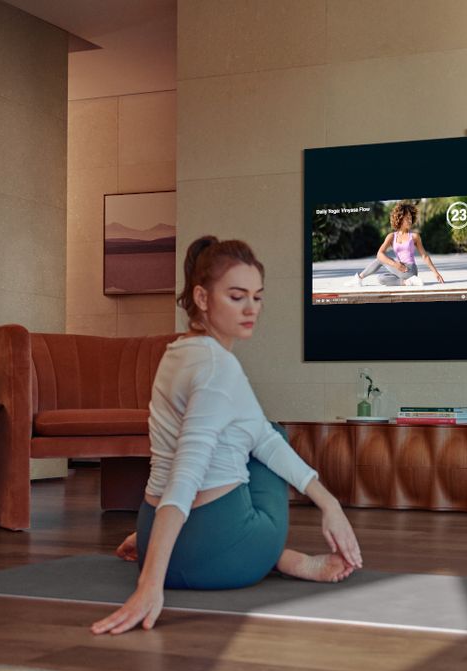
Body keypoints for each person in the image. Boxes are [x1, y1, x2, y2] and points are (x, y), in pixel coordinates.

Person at [93, 236, 363, 636]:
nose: (251, 308)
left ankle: (172, 546)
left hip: (155, 538)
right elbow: (189, 473)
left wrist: (330, 504)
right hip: (222, 557)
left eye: (257, 296)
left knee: (254, 430)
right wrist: (148, 586)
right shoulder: (219, 368)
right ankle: (286, 560)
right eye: (237, 297)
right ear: (202, 298)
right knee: (269, 433)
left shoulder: (177, 352)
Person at [344, 202, 446, 288]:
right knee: (380, 278)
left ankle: (358, 278)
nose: (410, 220)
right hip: (399, 268)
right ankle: (408, 282)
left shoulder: (414, 236)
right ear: (400, 219)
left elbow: (425, 256)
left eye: (411, 218)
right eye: (407, 218)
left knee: (380, 259)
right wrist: (395, 264)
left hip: (410, 269)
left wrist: (435, 273)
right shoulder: (391, 236)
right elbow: (379, 253)